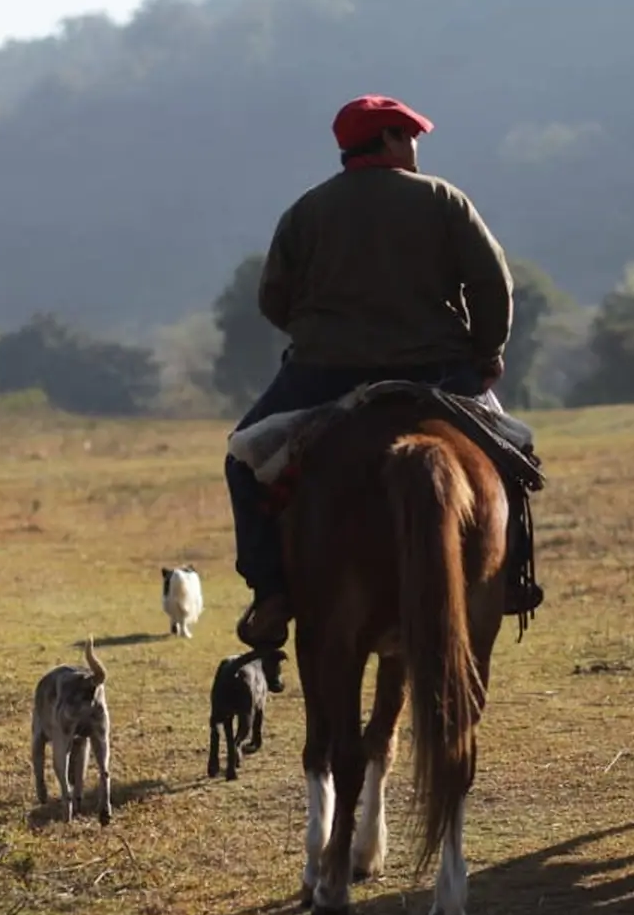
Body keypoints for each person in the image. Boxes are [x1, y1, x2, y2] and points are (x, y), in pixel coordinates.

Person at [228, 94, 541, 650]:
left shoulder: (306, 210)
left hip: (325, 372)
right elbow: (494, 285)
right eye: (410, 135)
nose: (416, 145)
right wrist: (486, 351)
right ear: (392, 140)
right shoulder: (444, 199)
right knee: (513, 460)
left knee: (244, 460)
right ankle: (508, 579)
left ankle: (271, 591)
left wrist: (317, 335)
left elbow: (273, 298)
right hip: (439, 372)